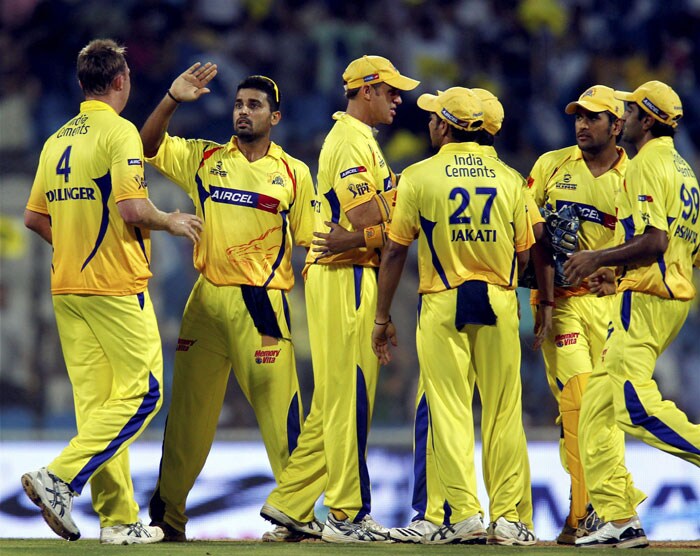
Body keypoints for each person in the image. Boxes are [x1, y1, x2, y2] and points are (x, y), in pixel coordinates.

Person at [21, 38, 202, 545]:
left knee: (102, 405)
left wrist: (76, 243)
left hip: (67, 288)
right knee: (145, 393)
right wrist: (170, 219)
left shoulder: (56, 138)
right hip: (114, 286)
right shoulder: (119, 132)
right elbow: (131, 209)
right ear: (121, 81)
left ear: (83, 84)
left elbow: (35, 217)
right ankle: (59, 477)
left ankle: (119, 520)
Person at [140, 65, 315, 541]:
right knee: (187, 422)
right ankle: (167, 519)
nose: (243, 111)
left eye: (254, 105)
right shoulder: (206, 158)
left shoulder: (293, 174)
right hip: (206, 300)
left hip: (261, 304)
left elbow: (310, 242)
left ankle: (295, 516)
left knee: (282, 421)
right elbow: (148, 145)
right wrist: (172, 99)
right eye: (239, 104)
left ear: (274, 117)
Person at [259, 55, 419, 543]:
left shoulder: (360, 141)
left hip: (350, 272)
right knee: (350, 394)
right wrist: (409, 197)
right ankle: (347, 514)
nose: (398, 99)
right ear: (365, 90)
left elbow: (368, 224)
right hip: (343, 274)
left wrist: (378, 223)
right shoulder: (349, 142)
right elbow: (368, 212)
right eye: (391, 90)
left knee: (332, 401)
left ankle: (290, 504)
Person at [372, 87, 536, 545]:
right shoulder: (509, 177)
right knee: (504, 412)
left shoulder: (420, 176)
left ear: (445, 127)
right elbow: (528, 254)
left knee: (449, 412)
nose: (428, 124)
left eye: (432, 118)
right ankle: (507, 518)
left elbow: (394, 252)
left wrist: (382, 317)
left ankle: (462, 515)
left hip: (443, 301)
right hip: (501, 301)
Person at [564, 80, 700, 548]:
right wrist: (618, 276)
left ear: (646, 119)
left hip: (646, 301)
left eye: (630, 111)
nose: (625, 118)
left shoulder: (645, 165)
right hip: (661, 294)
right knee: (595, 412)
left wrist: (597, 259)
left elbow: (655, 241)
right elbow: (684, 250)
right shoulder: (684, 170)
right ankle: (619, 517)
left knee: (635, 406)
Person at [524, 85, 627, 544]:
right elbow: (527, 233)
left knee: (600, 413)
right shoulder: (551, 165)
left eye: (593, 118)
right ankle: (590, 512)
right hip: (561, 302)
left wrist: (618, 274)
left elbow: (654, 241)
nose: (582, 125)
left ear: (617, 125)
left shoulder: (637, 175)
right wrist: (544, 299)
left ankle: (604, 510)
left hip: (611, 305)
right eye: (578, 117)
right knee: (580, 404)